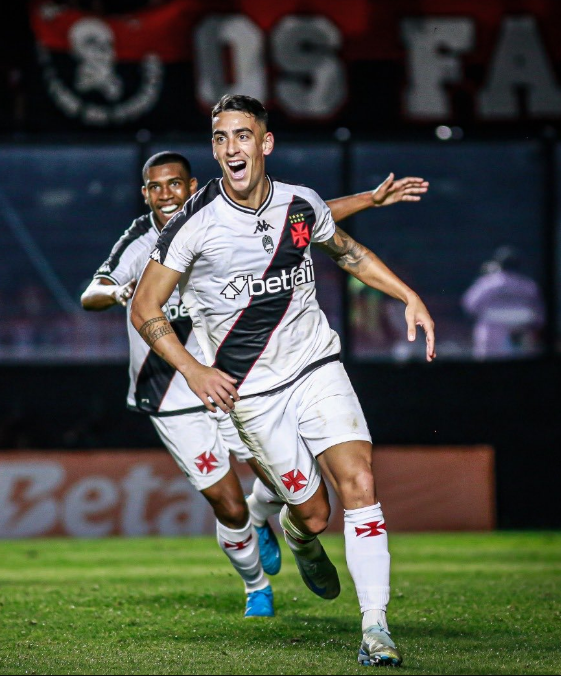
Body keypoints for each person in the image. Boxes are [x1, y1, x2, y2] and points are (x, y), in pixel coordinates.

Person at [131, 95, 436, 667]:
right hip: (251, 394)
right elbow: (145, 307)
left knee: (361, 482)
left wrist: (407, 296)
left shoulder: (300, 205)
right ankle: (296, 534)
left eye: (242, 136)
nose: (231, 148)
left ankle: (376, 628)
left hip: (317, 365)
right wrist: (195, 369)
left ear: (264, 143)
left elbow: (346, 253)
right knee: (316, 516)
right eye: (221, 138)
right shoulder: (194, 225)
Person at [461, 245, 544, 359]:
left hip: (492, 332)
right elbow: (539, 315)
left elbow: (470, 304)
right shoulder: (528, 286)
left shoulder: (488, 283)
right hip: (519, 332)